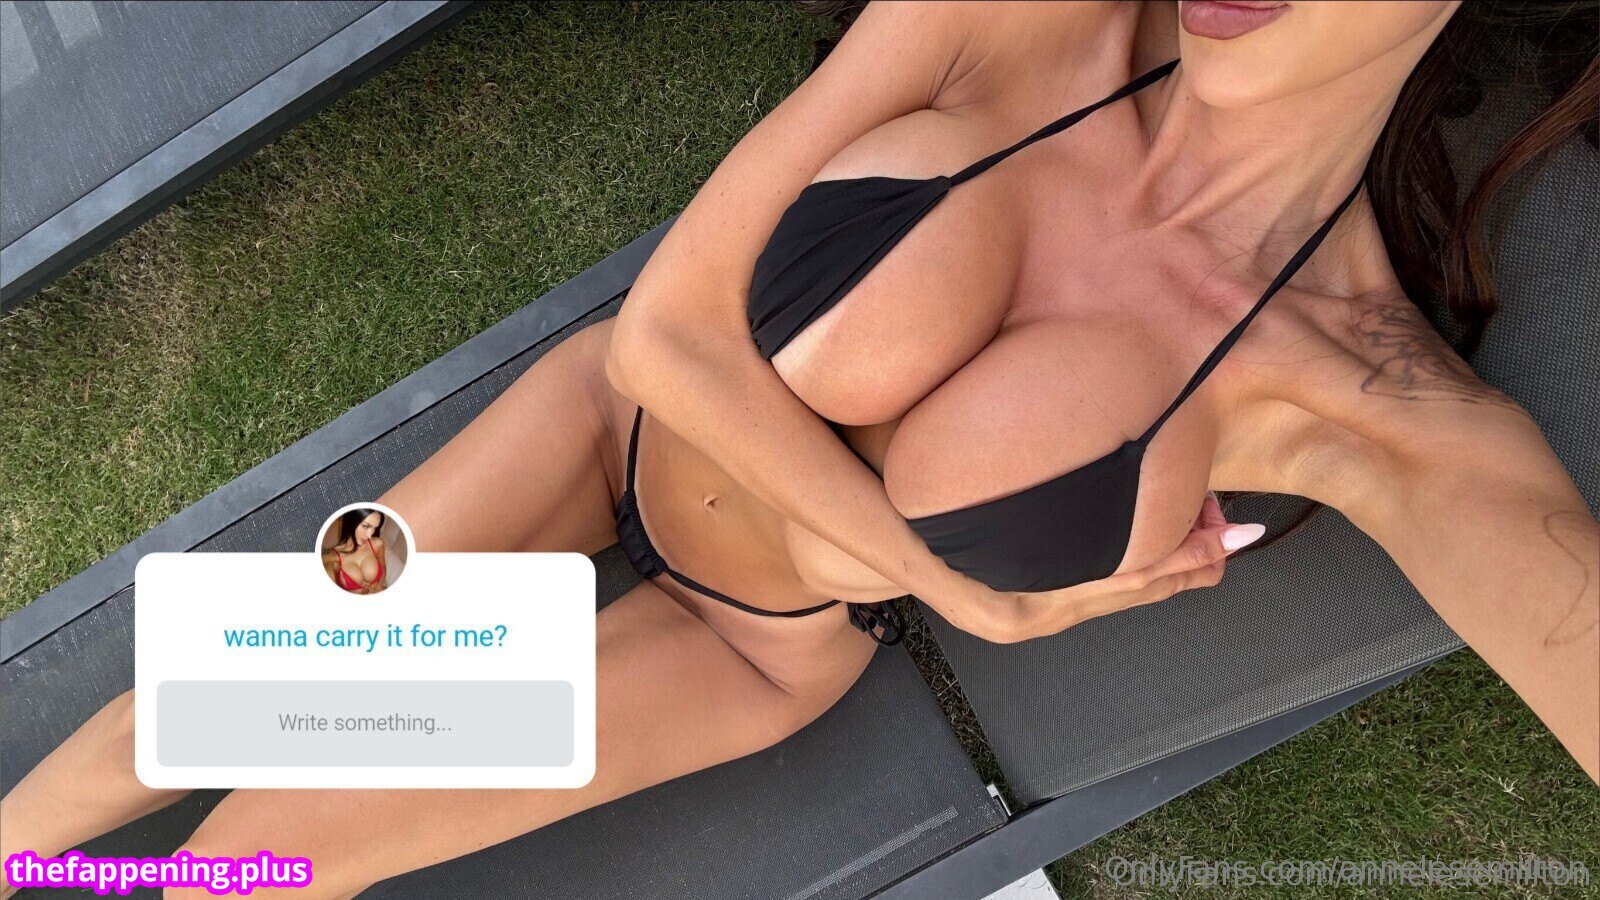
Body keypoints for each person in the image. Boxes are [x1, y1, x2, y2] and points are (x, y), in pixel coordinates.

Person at [3, 3, 1594, 897]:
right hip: (602, 421)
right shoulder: (1023, 14)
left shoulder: (1359, 392)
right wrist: (964, 590)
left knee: (268, 858)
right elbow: (664, 338)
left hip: (745, 639)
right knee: (194, 704)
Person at [321, 509, 389, 595]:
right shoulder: (330, 558)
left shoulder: (377, 544)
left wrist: (378, 588)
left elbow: (383, 567)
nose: (369, 535)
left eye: (374, 528)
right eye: (366, 526)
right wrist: (362, 592)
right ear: (351, 521)